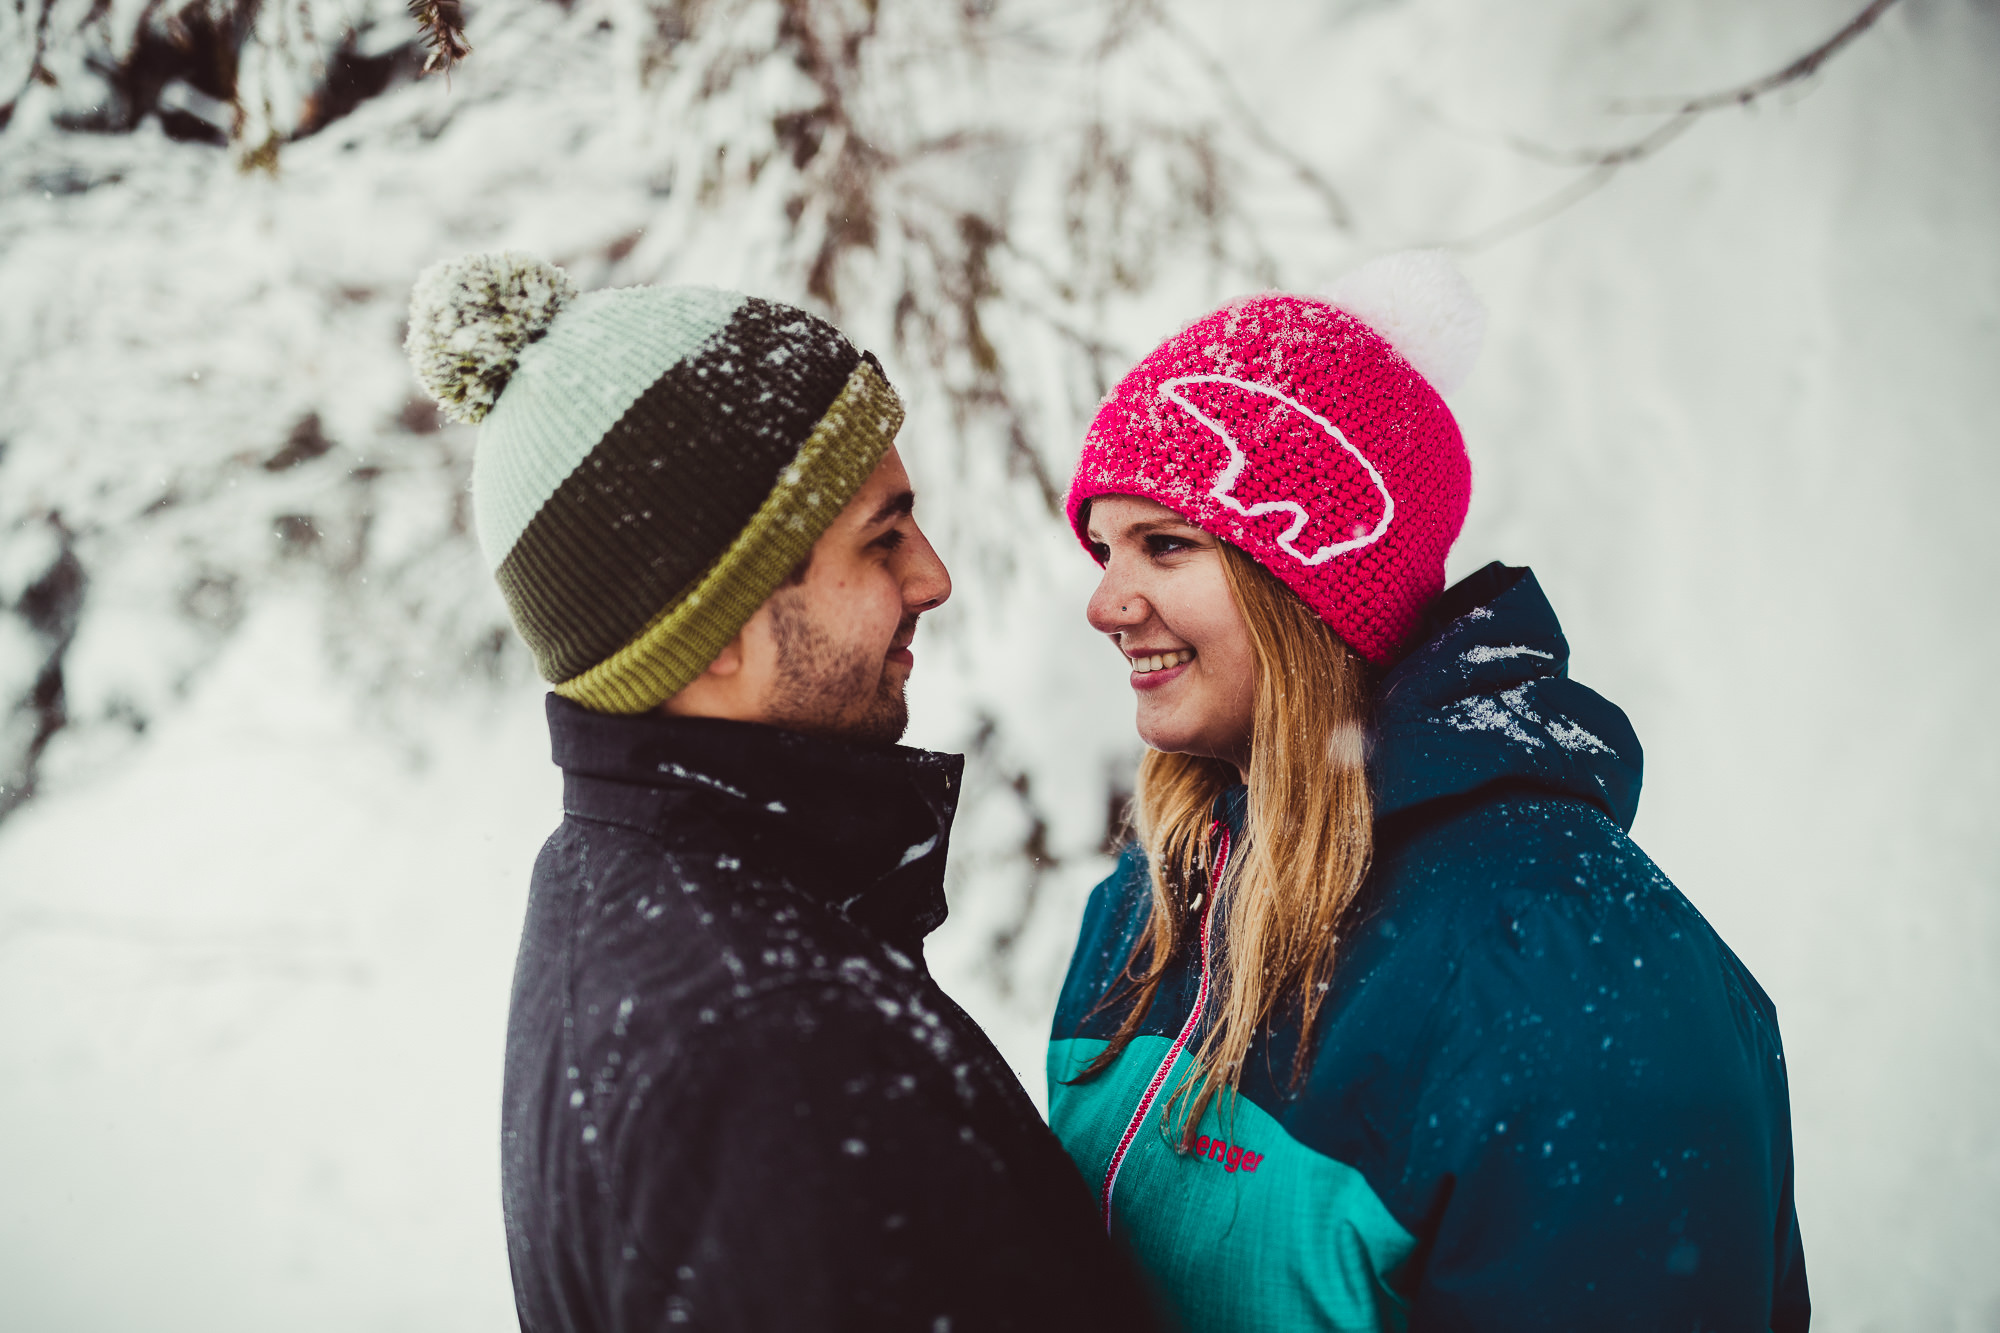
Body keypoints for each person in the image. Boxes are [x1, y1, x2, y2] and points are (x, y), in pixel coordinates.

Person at [1046, 252, 1809, 1331]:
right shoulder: (1154, 899)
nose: (1104, 600)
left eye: (1162, 546)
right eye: (1102, 547)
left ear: (1307, 585)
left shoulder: (1557, 957)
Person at [405, 253, 1151, 1331]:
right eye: (879, 537)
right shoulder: (784, 1056)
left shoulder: (613, 879)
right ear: (708, 626)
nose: (932, 576)